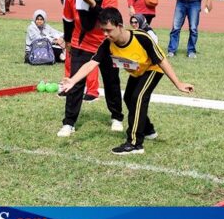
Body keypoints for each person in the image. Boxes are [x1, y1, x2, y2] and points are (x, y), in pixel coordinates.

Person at [61, 8, 195, 155]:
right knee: (129, 98)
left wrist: (178, 84)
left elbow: (162, 61)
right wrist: (73, 80)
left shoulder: (142, 37)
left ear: (120, 26)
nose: (105, 34)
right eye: (103, 30)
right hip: (138, 71)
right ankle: (148, 129)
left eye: (109, 30)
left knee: (138, 98)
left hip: (153, 68)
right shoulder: (108, 44)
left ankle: (135, 143)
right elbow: (91, 63)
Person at [59, 0, 124, 137]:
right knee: (75, 82)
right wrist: (68, 41)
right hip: (82, 42)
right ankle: (69, 122)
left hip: (106, 43)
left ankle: (117, 117)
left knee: (111, 81)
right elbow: (68, 19)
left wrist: (93, 4)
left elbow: (109, 19)